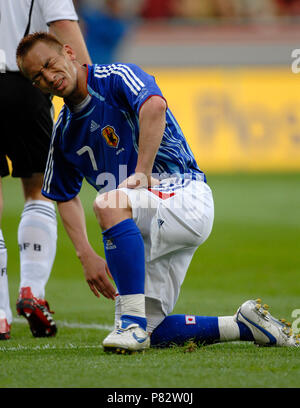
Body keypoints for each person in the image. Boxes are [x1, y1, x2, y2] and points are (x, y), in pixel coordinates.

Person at [15, 32, 299, 352]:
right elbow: (63, 194)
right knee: (154, 330)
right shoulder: (64, 131)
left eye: (50, 65)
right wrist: (86, 255)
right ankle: (244, 325)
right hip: (144, 220)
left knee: (108, 204)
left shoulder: (115, 78)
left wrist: (141, 173)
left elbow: (154, 106)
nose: (49, 78)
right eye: (37, 77)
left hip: (184, 194)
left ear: (68, 52)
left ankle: (130, 324)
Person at [0, 0, 92, 340]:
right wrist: (88, 82)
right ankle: (32, 291)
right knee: (39, 188)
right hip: (24, 82)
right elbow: (63, 23)